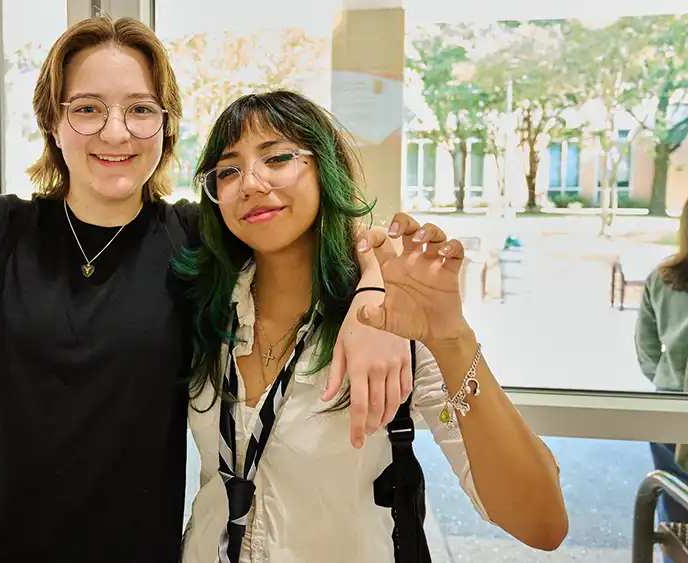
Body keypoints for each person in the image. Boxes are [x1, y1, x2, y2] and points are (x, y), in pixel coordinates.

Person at [0, 16, 411, 562]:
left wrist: (373, 302)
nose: (116, 131)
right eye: (87, 109)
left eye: (140, 109)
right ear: (53, 124)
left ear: (165, 125)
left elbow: (336, 232)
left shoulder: (196, 239)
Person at [177, 91, 568, 562]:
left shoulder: (391, 322)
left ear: (326, 168)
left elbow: (542, 523)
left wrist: (450, 338)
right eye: (228, 171)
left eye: (277, 158)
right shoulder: (203, 306)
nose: (251, 184)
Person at [636, 197, 688, 531]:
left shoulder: (663, 277)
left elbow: (646, 345)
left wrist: (665, 375)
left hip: (669, 396)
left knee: (675, 507)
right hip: (670, 392)